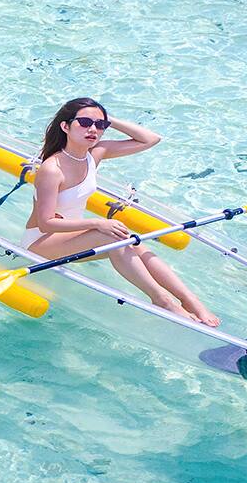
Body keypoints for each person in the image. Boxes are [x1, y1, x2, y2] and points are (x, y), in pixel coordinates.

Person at [23, 98, 219, 326]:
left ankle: (189, 300)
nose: (93, 129)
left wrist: (108, 120)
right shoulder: (52, 169)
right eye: (84, 122)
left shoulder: (95, 153)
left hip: (70, 237)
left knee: (134, 242)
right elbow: (46, 223)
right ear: (65, 126)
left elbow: (151, 139)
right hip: (40, 242)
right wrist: (97, 223)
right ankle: (162, 300)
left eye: (99, 125)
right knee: (112, 236)